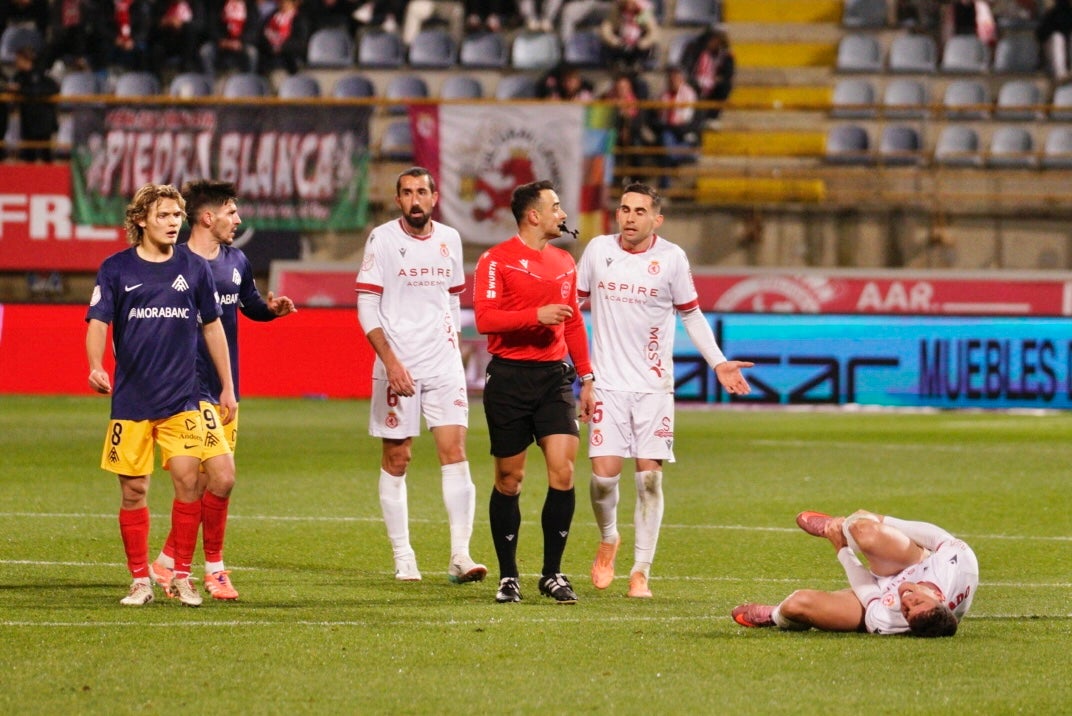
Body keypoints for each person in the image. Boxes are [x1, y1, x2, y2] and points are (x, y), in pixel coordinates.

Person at [576, 183, 752, 599]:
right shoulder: (598, 252)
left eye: (640, 210)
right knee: (602, 480)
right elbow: (572, 311)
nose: (630, 217)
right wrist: (574, 370)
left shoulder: (671, 258)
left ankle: (641, 571)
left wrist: (718, 362)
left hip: (654, 388)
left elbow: (691, 315)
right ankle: (609, 538)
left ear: (657, 218)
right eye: (624, 209)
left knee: (649, 481)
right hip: (608, 385)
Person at [85, 183, 237, 607]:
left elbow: (212, 326)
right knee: (134, 491)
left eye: (177, 216)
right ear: (140, 220)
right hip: (132, 399)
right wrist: (96, 365)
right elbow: (97, 321)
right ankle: (139, 581)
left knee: (190, 481)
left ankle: (183, 575)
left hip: (183, 398)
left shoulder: (194, 268)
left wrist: (226, 385)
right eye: (164, 216)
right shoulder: (116, 269)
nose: (173, 224)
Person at [147, 180, 296, 602]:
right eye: (232, 212)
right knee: (224, 476)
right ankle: (214, 569)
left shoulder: (237, 261)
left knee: (199, 484)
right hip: (184, 389)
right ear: (208, 217)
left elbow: (248, 304)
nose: (239, 219)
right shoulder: (171, 262)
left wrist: (271, 311)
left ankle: (166, 562)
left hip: (223, 389)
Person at [355, 167, 486, 585]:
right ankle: (403, 555)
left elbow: (451, 302)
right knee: (398, 457)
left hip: (442, 363)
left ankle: (461, 556)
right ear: (398, 200)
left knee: (455, 450)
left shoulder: (450, 239)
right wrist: (391, 362)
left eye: (421, 192)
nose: (415, 200)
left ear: (435, 196)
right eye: (407, 193)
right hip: (398, 362)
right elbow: (366, 307)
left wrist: (455, 347)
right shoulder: (382, 239)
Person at [472, 179, 596, 605]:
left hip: (553, 380)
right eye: (556, 207)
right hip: (508, 379)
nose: (563, 214)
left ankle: (552, 572)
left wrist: (588, 379)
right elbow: (485, 319)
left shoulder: (564, 261)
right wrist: (535, 315)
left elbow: (574, 324)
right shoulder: (495, 261)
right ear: (533, 215)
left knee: (563, 471)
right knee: (510, 479)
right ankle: (509, 576)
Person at [732, 509, 979, 637]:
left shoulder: (888, 622)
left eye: (907, 610)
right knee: (865, 530)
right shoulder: (959, 565)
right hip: (911, 561)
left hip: (876, 592)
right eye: (916, 601)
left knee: (798, 604)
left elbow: (867, 587)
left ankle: (775, 617)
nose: (906, 600)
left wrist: (841, 548)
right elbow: (936, 536)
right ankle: (842, 526)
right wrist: (880, 518)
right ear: (940, 599)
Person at [6, 45, 59, 163]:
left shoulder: (41, 74)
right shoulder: (18, 76)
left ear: (26, 59)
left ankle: (49, 180)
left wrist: (21, 90)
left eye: (18, 59)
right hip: (28, 121)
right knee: (29, 156)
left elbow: (51, 89)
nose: (16, 62)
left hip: (43, 121)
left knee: (46, 155)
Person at [680, 26, 734, 125]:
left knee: (725, 86)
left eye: (717, 39)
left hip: (713, 86)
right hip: (695, 82)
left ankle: (712, 117)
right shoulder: (693, 49)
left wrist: (715, 80)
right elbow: (685, 68)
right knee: (689, 85)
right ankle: (692, 118)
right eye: (712, 38)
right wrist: (697, 80)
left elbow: (727, 75)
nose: (713, 42)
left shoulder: (725, 55)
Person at [598, 0, 659, 72]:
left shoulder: (644, 14)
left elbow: (653, 32)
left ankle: (637, 63)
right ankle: (618, 63)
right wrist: (614, 41)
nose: (629, 6)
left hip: (638, 43)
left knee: (644, 49)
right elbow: (606, 28)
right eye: (627, 3)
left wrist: (643, 42)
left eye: (632, 3)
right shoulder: (617, 13)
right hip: (621, 42)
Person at [1037, 0, 1072, 82]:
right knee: (1057, 38)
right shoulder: (1051, 15)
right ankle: (1061, 73)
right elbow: (1040, 35)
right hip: (1051, 59)